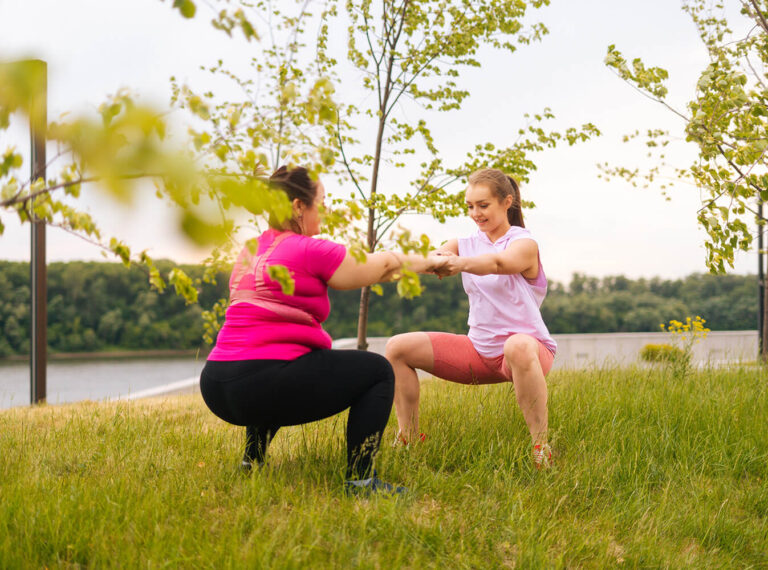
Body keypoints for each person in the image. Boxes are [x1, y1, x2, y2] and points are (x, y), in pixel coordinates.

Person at [199, 165, 445, 495]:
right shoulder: (307, 249)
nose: (326, 209)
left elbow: (376, 273)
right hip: (258, 385)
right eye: (322, 201)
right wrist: (434, 261)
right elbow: (384, 264)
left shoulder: (251, 249)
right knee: (377, 371)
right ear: (299, 206)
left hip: (217, 385)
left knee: (276, 363)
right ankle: (362, 481)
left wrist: (421, 267)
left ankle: (252, 461)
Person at [385, 168, 557, 469]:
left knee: (516, 345)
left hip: (526, 353)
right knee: (397, 347)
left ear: (507, 202)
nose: (475, 213)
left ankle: (540, 446)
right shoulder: (463, 243)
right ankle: (408, 438)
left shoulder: (524, 244)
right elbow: (432, 259)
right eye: (470, 206)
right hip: (479, 351)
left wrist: (459, 263)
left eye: (483, 205)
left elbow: (499, 263)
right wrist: (386, 263)